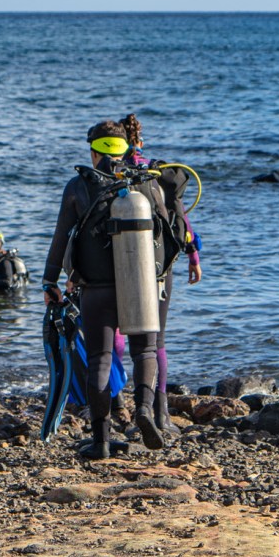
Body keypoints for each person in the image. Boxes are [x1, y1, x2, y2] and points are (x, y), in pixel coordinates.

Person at [41, 121, 174, 459]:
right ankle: (144, 409)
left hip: (96, 289)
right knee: (144, 351)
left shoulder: (78, 186)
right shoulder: (148, 185)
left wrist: (49, 281)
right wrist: (159, 279)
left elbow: (60, 237)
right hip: (141, 284)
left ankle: (100, 440)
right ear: (127, 148)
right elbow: (168, 237)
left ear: (94, 150)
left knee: (100, 358)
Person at [114, 112, 202, 436]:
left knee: (118, 338)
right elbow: (181, 219)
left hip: (118, 268)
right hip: (160, 269)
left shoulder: (112, 172)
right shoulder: (158, 173)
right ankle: (160, 413)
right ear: (140, 140)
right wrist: (193, 256)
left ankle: (115, 405)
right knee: (156, 342)